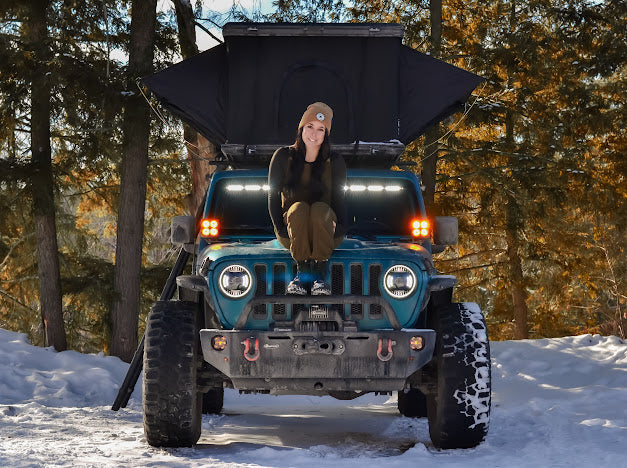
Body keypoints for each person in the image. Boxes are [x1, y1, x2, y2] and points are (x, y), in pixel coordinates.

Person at [268, 102, 347, 295]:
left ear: (326, 134)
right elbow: (272, 195)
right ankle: (302, 274)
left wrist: (341, 228)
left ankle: (319, 275)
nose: (314, 133)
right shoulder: (282, 157)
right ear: (301, 128)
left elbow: (340, 198)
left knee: (320, 209)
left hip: (326, 229)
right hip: (291, 230)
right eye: (310, 126)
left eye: (321, 129)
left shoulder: (334, 161)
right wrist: (280, 227)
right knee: (298, 209)